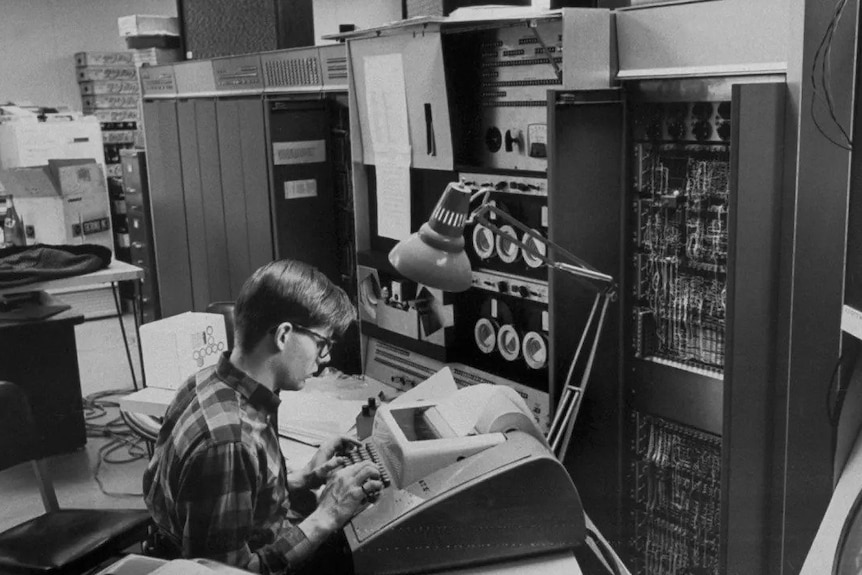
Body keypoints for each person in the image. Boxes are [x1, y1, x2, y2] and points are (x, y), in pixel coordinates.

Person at [143, 259, 382, 574]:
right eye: (322, 344)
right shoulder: (231, 441)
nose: (325, 360)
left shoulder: (206, 381)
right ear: (283, 335)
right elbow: (227, 572)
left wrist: (303, 479)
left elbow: (237, 500)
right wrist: (328, 515)